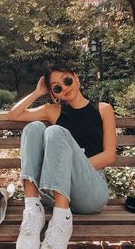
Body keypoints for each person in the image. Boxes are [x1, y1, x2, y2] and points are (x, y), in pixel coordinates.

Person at [7, 65, 116, 249]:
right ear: (54, 94)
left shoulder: (103, 109)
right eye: (57, 88)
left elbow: (109, 156)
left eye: (67, 80)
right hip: (55, 193)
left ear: (76, 78)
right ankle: (33, 212)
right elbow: (13, 115)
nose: (65, 88)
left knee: (56, 132)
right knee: (33, 128)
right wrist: (37, 92)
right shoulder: (53, 110)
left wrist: (69, 167)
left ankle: (62, 221)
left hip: (91, 191)